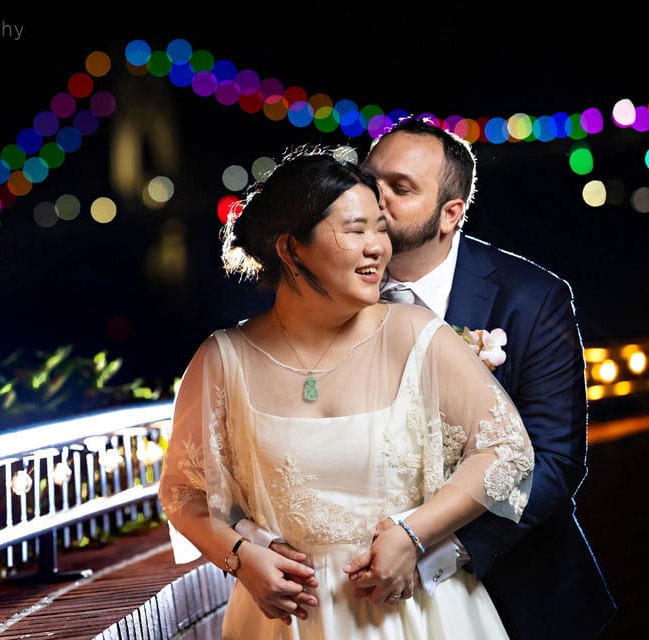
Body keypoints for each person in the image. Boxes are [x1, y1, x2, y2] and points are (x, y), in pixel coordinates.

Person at [236, 118, 617, 639]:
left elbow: (554, 461)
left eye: (402, 187)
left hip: (519, 590)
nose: (377, 198)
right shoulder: (325, 295)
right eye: (371, 180)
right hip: (352, 603)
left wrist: (427, 550)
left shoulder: (531, 298)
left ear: (449, 214)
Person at [157, 144, 535, 638]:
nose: (379, 247)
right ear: (291, 248)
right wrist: (239, 557)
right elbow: (184, 492)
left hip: (418, 616)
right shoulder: (223, 359)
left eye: (381, 228)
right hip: (285, 623)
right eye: (356, 231)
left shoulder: (416, 333)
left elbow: (507, 450)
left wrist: (413, 536)